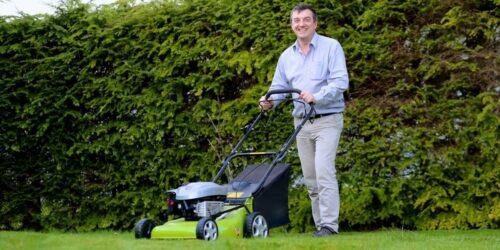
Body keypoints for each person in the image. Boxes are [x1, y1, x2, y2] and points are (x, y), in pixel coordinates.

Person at [259, 4, 348, 237]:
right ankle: (321, 227)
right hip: (301, 123)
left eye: (306, 19)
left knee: (324, 171)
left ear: (315, 23)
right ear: (292, 25)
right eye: (296, 20)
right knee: (310, 177)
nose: (301, 24)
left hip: (327, 119)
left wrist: (316, 96)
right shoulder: (286, 56)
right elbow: (278, 88)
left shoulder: (331, 47)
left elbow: (340, 82)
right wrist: (269, 101)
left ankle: (330, 225)